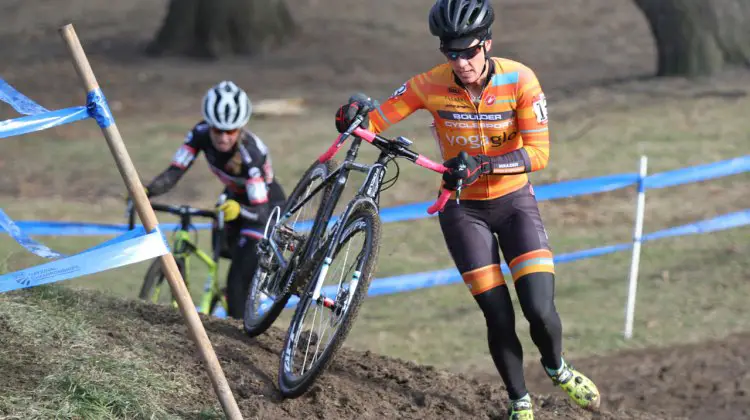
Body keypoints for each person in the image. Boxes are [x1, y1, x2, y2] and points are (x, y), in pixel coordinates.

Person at [333, 1, 600, 418]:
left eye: (469, 51)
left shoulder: (520, 79)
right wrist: (352, 114)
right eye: (450, 52)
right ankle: (519, 402)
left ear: (487, 44)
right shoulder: (429, 84)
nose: (461, 62)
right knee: (497, 314)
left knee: (540, 310)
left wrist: (486, 164)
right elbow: (377, 120)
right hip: (463, 211)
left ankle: (557, 367)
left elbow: (539, 153)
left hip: (514, 204)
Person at [142, 80, 286, 320]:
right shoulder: (199, 134)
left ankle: (242, 307)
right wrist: (147, 191)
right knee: (221, 249)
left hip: (265, 206)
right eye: (217, 130)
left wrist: (239, 210)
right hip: (234, 197)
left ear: (241, 128)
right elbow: (175, 170)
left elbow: (260, 212)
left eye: (230, 131)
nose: (223, 137)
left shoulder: (252, 154)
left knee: (238, 280)